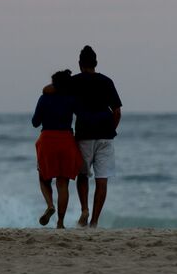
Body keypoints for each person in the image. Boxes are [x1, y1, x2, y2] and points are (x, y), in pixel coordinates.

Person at [45, 46, 122, 228]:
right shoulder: (107, 81)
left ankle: (85, 210)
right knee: (102, 179)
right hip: (105, 135)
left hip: (84, 135)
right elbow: (117, 112)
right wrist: (111, 130)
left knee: (83, 175)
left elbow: (47, 90)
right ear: (96, 63)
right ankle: (94, 222)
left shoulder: (74, 81)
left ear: (80, 64)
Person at [32, 70, 83, 229]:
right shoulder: (71, 99)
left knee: (43, 178)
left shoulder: (44, 98)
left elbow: (35, 122)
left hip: (47, 139)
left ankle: (49, 205)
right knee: (63, 184)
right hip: (66, 140)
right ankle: (60, 223)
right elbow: (80, 114)